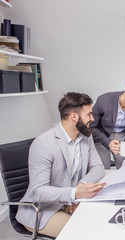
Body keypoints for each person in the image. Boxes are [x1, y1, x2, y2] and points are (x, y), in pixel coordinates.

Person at [16, 92, 106, 237]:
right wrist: (74, 194)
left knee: (102, 222)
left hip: (70, 202)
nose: (93, 119)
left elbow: (98, 167)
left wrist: (81, 186)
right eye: (89, 114)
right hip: (43, 209)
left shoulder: (85, 137)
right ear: (74, 117)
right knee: (84, 233)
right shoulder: (44, 144)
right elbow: (38, 191)